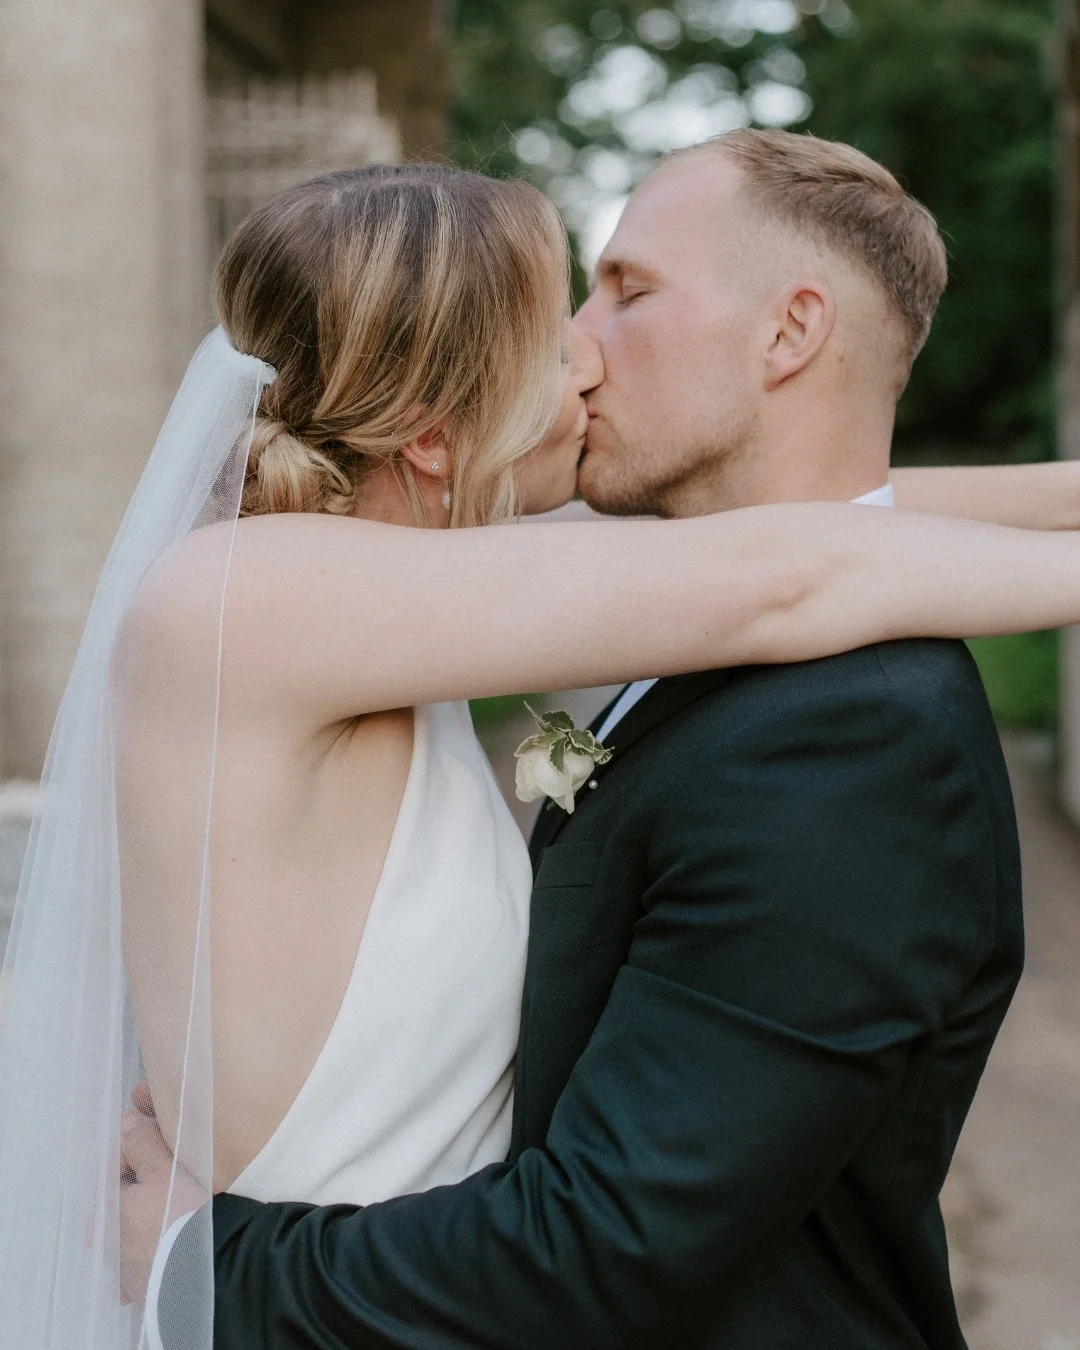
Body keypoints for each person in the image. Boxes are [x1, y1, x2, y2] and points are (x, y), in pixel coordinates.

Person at [11, 145, 1080, 1350]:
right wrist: (195, 1274)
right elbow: (786, 572)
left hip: (385, 1298)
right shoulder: (248, 604)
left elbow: (824, 531)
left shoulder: (396, 587)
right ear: (435, 433)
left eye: (622, 293)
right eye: (560, 326)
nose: (588, 353)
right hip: (344, 1309)